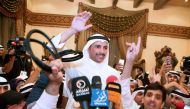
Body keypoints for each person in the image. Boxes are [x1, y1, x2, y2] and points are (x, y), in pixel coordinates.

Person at [50, 11, 141, 109]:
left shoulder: (113, 73)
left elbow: (124, 95)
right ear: (88, 48)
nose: (102, 51)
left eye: (105, 48)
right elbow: (52, 48)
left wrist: (130, 61)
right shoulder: (76, 64)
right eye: (98, 46)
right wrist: (72, 30)